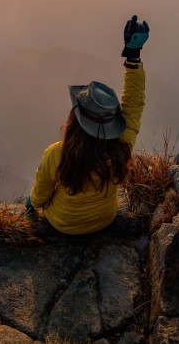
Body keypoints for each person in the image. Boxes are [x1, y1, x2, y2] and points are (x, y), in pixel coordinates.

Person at [26, 15, 148, 235]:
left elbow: (41, 196)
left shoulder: (57, 154)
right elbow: (134, 104)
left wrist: (30, 203)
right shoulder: (121, 147)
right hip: (105, 220)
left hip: (63, 224)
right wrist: (133, 56)